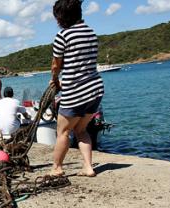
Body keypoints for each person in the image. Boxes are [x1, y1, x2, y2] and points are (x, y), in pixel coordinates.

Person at [49, 0, 104, 177]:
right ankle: (88, 167)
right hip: (95, 90)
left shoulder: (63, 36)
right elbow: (80, 65)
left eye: (57, 17)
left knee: (63, 131)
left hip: (75, 93)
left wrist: (56, 81)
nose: (57, 21)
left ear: (62, 17)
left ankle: (57, 168)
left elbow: (56, 66)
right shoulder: (91, 33)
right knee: (81, 130)